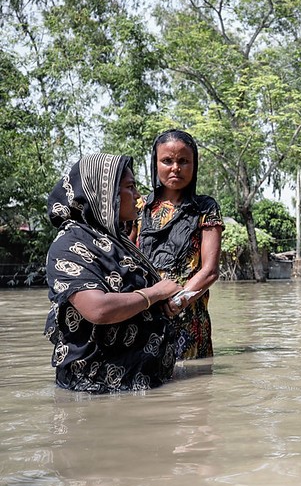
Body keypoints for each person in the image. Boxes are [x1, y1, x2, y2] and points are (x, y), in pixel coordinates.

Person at [44, 153, 182, 393]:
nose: (138, 196)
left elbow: (131, 295)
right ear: (104, 194)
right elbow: (98, 309)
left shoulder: (115, 241)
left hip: (139, 383)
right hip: (98, 390)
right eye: (130, 187)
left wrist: (163, 303)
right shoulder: (69, 244)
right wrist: (155, 293)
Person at [134, 129, 224, 360]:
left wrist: (179, 300)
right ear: (155, 164)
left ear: (194, 166)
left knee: (192, 388)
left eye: (183, 161)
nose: (175, 168)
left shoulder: (205, 208)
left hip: (189, 313)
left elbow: (210, 270)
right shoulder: (139, 207)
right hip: (144, 311)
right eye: (167, 161)